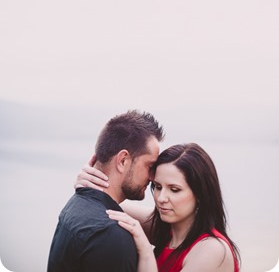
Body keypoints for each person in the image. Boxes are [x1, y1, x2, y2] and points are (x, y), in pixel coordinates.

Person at [75, 143, 241, 272]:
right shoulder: (166, 229)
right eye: (158, 187)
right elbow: (110, 200)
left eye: (174, 190)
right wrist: (88, 183)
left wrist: (146, 252)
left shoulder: (212, 250)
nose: (161, 199)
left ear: (200, 195)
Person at [47, 110, 165, 272]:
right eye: (149, 166)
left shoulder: (75, 205)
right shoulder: (113, 236)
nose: (152, 177)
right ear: (123, 160)